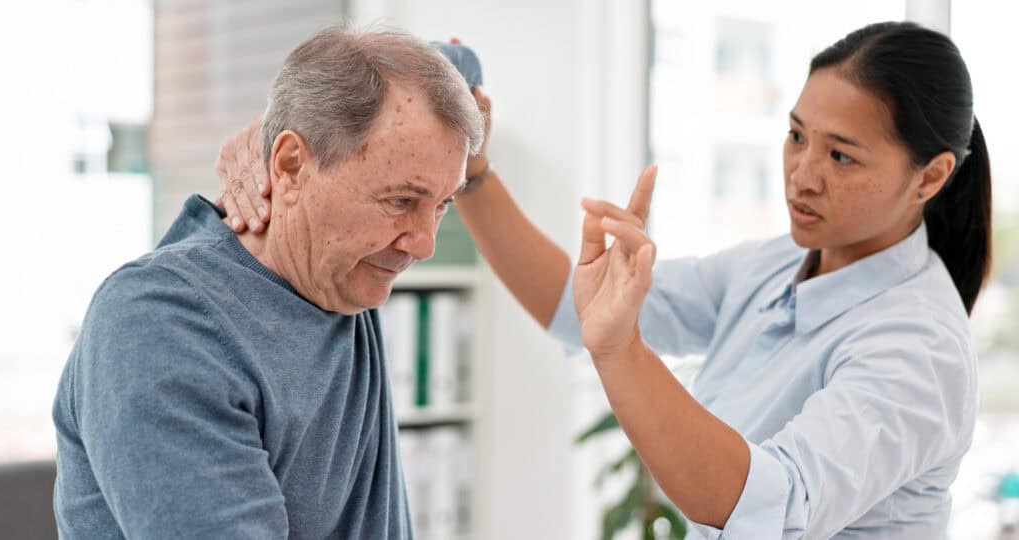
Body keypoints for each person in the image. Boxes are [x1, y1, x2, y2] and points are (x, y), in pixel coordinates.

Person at [218, 22, 991, 539]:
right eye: (796, 136)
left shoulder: (916, 346)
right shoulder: (771, 269)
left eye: (841, 156)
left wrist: (618, 347)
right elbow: (570, 306)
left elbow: (763, 501)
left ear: (930, 177)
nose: (802, 174)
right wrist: (475, 176)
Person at [52, 26, 483, 538]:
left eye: (442, 205)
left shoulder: (337, 268)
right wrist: (288, 124)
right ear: (291, 164)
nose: (424, 243)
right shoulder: (160, 326)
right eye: (399, 201)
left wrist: (280, 119)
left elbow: (458, 66)